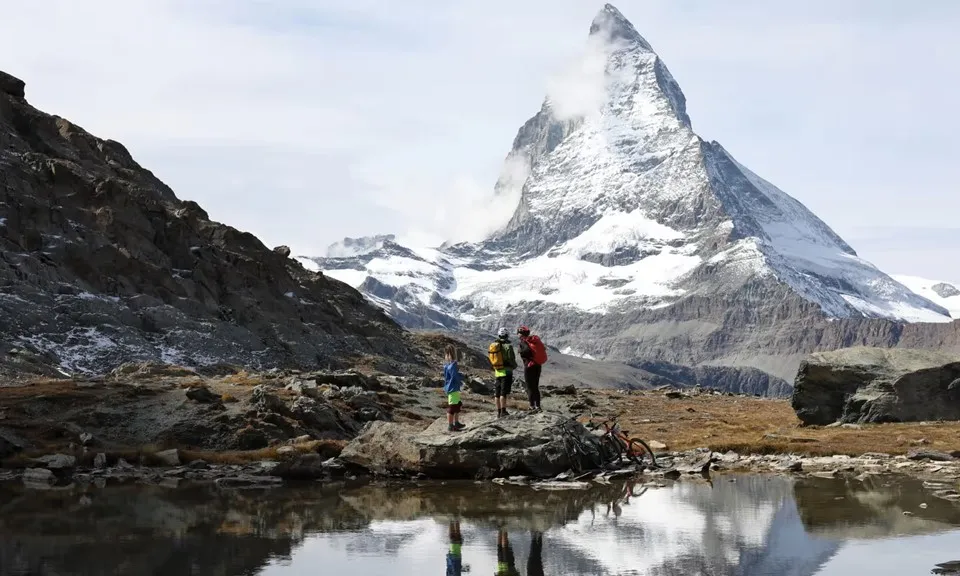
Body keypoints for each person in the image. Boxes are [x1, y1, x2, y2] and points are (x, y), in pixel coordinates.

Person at [488, 328, 518, 418]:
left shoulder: (494, 345)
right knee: (503, 393)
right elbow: (511, 359)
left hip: (497, 371)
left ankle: (498, 412)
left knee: (497, 393)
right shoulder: (508, 346)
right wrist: (514, 366)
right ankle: (503, 412)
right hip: (507, 372)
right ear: (507, 335)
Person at [517, 326, 545, 413]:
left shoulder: (523, 342)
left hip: (529, 366)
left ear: (521, 334)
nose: (517, 335)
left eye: (518, 333)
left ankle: (532, 406)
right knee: (536, 386)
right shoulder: (534, 340)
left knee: (529, 387)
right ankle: (538, 406)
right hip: (538, 365)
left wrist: (520, 351)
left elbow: (525, 352)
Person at [444, 345, 465, 432]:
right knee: (452, 407)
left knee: (457, 405)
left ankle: (456, 423)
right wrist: (462, 378)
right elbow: (455, 376)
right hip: (453, 388)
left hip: (451, 388)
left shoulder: (447, 365)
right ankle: (450, 425)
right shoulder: (453, 365)